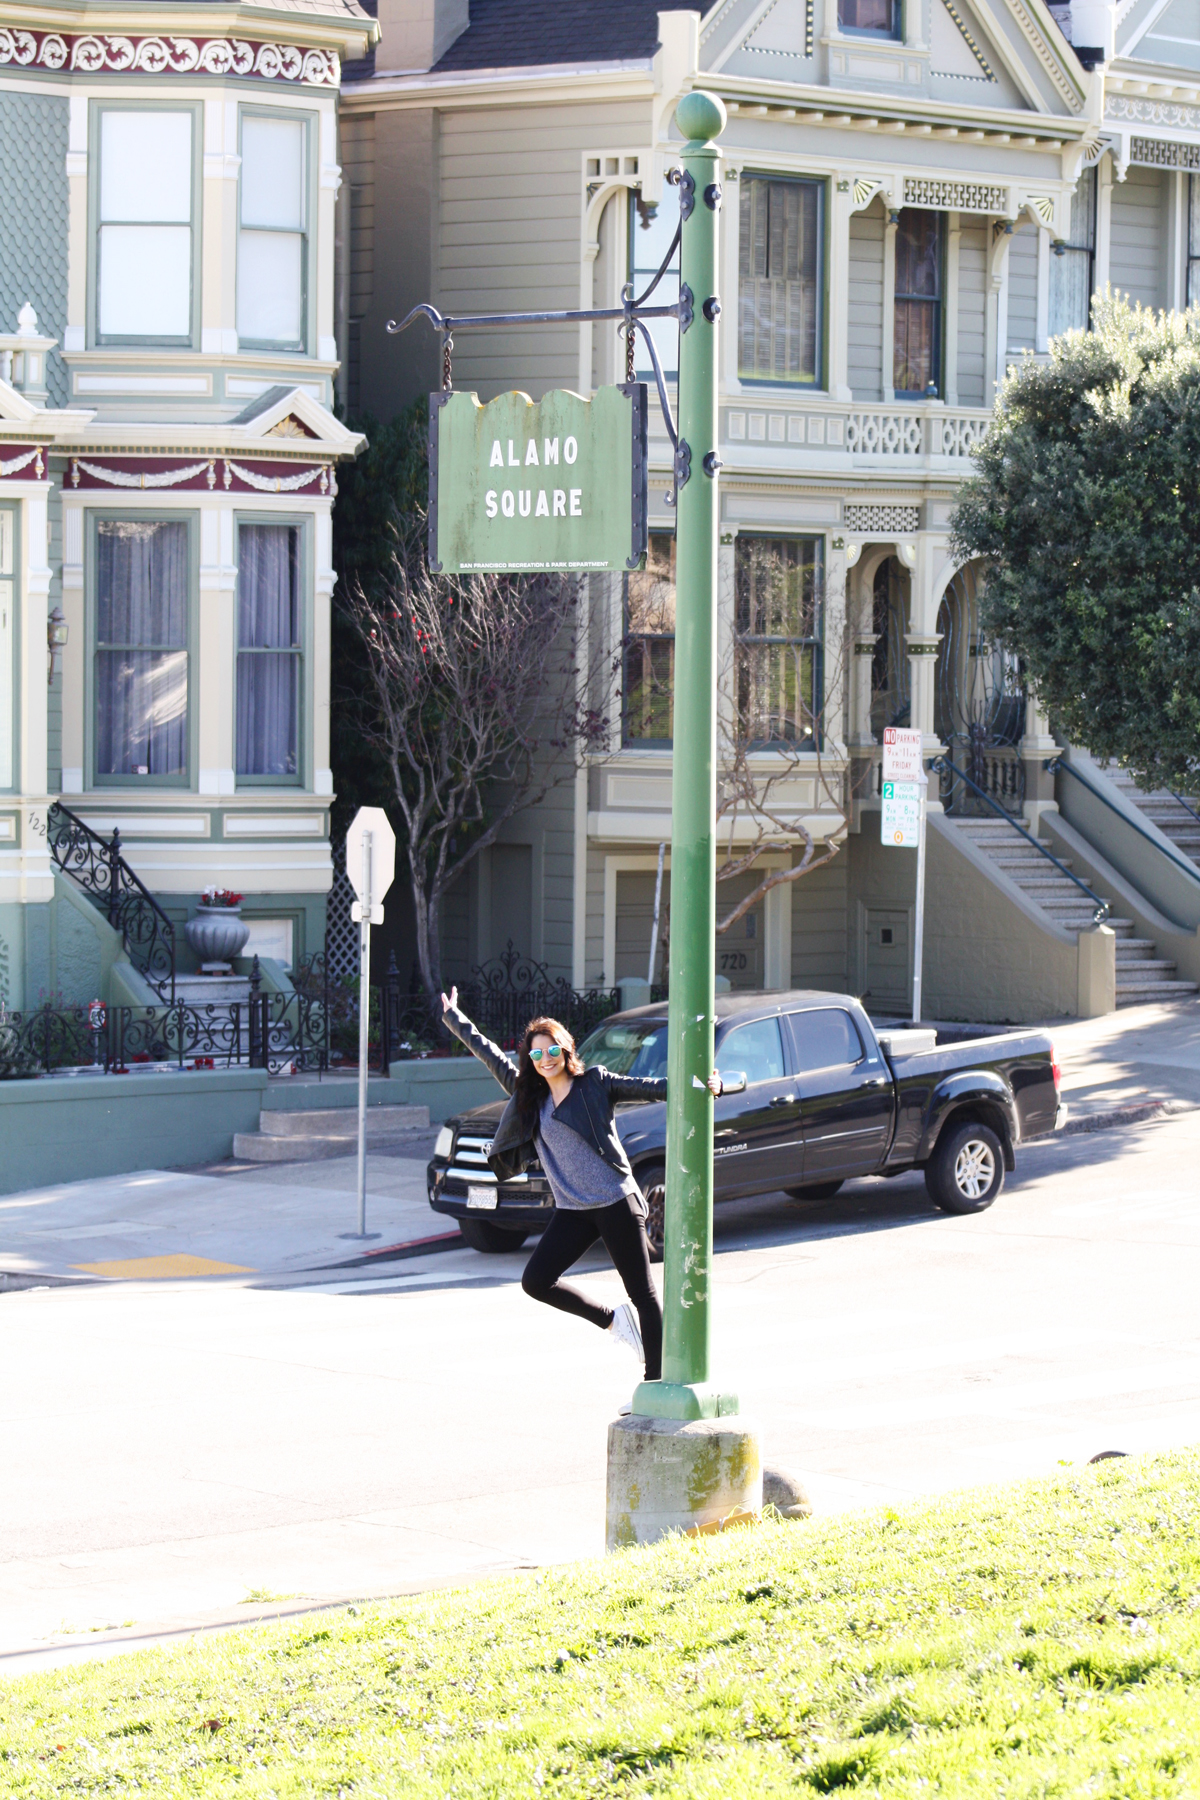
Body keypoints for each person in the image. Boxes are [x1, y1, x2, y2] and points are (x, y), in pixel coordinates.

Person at [440, 986, 722, 1382]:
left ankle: (654, 1384)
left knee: (643, 1294)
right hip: (573, 1210)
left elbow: (656, 1088)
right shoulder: (528, 1097)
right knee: (536, 1281)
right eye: (536, 1054)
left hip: (614, 1202)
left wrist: (705, 1086)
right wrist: (455, 1017)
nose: (545, 1059)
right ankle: (610, 1320)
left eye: (551, 1050)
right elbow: (488, 1054)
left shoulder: (594, 1083)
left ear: (566, 1048)